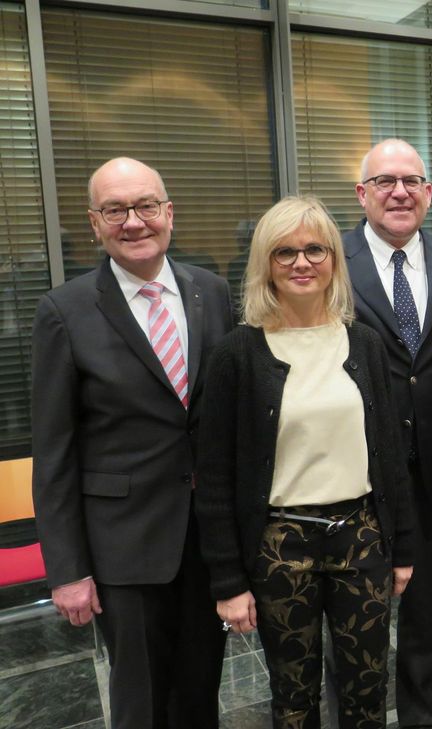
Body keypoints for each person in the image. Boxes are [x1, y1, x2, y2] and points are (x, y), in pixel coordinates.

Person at [193, 196, 416, 729]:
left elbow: (389, 453)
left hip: (360, 538)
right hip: (280, 548)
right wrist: (228, 581)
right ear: (265, 264)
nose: (301, 262)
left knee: (367, 689)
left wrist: (403, 547)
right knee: (294, 698)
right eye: (285, 252)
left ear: (334, 260)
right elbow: (216, 478)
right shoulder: (236, 355)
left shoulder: (364, 343)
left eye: (315, 249)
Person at [31, 157, 234, 729]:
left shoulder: (211, 291)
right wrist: (68, 570)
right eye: (115, 210)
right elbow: (54, 453)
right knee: (140, 699)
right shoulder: (64, 312)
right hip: (123, 546)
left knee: (200, 689)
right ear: (95, 223)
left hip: (206, 540)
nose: (134, 221)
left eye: (146, 206)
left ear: (169, 214)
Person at [343, 138, 432, 728]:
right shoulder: (329, 261)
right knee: (354, 622)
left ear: (428, 192)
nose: (399, 192)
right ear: (362, 193)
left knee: (427, 616)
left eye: (412, 181)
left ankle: (423, 718)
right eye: (385, 181)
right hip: (354, 472)